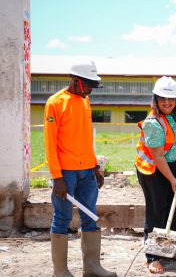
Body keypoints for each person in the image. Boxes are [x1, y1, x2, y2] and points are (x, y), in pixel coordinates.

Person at [44, 61, 117, 277]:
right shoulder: (55, 103)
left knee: (90, 216)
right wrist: (57, 177)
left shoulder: (85, 101)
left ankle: (92, 268)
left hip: (87, 173)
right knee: (62, 218)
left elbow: (85, 138)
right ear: (76, 80)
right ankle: (61, 271)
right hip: (65, 174)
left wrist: (96, 167)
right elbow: (50, 143)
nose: (90, 90)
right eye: (88, 85)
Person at [135, 76, 176, 274]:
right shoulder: (152, 123)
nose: (167, 103)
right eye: (162, 98)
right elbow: (159, 155)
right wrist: (171, 180)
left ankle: (167, 250)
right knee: (157, 212)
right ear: (155, 99)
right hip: (154, 170)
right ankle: (152, 257)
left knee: (175, 209)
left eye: (171, 99)